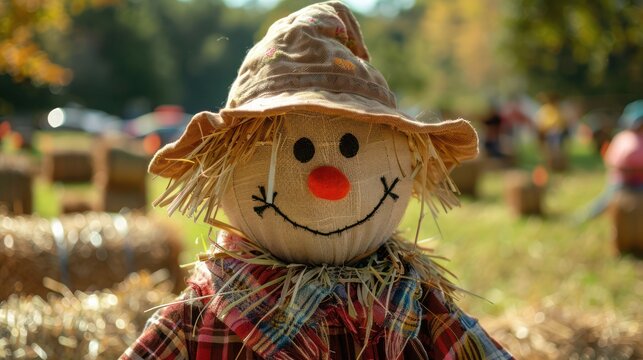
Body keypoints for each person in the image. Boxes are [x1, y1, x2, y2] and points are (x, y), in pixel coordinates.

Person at [121, 2, 513, 359]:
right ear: (222, 162)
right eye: (301, 152)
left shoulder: (410, 298)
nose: (330, 182)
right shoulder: (208, 308)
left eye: (350, 147)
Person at [580, 100, 643, 221]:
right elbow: (612, 161)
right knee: (607, 200)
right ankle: (584, 217)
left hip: (640, 182)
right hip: (623, 181)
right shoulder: (622, 138)